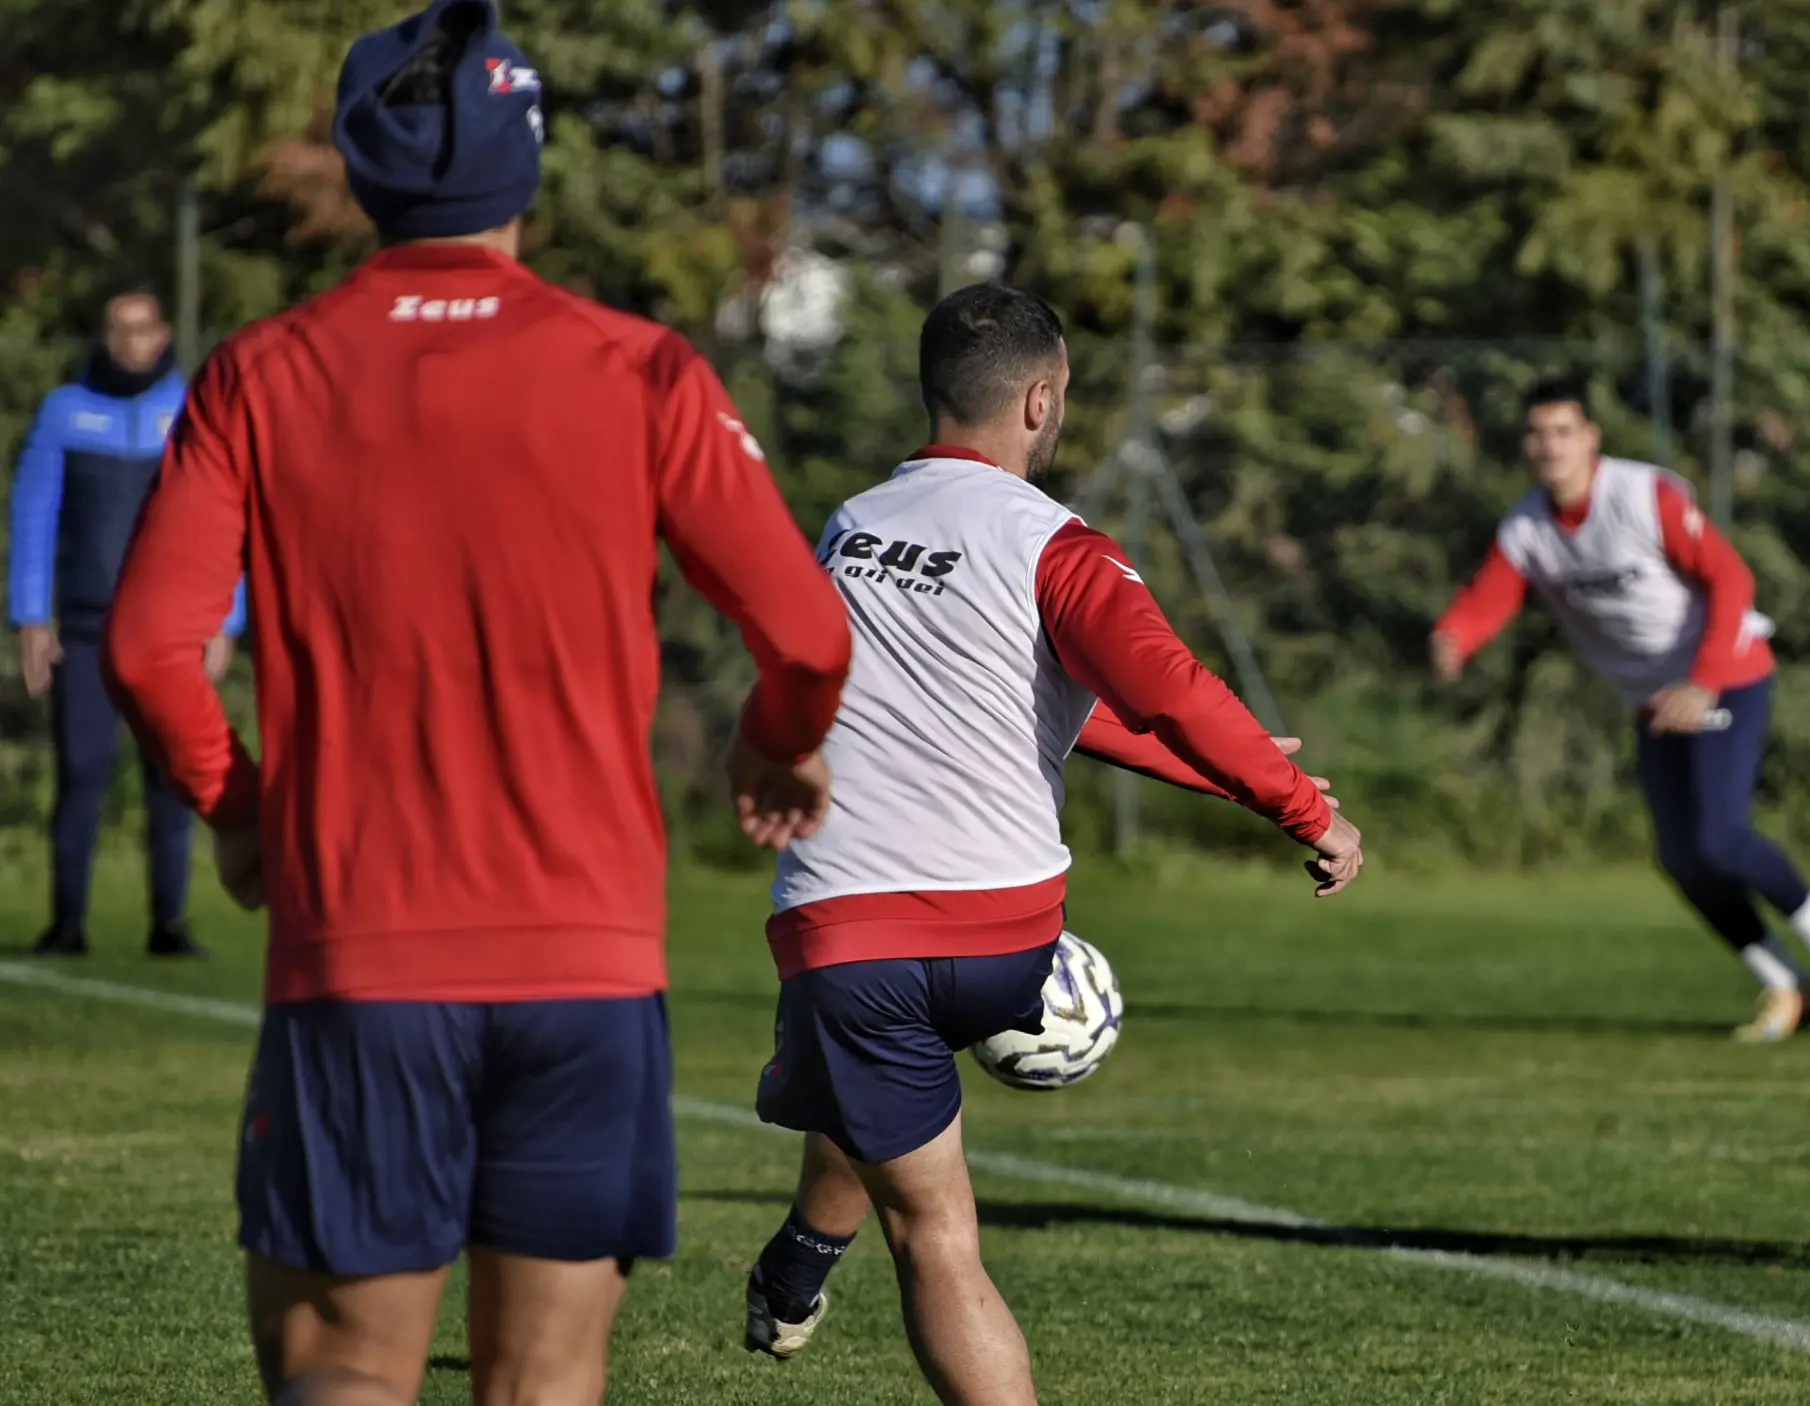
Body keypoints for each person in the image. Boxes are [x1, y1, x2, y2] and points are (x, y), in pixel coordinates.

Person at [102, 2, 854, 1401]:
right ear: (531, 157)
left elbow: (149, 649)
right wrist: (777, 739)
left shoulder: (263, 372)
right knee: (547, 1382)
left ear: (356, 157)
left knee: (342, 1371)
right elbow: (808, 632)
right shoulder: (639, 368)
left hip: (361, 954)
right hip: (587, 966)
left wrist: (243, 805)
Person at [736, 283, 1363, 1402]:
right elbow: (1156, 688)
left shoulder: (850, 524)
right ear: (1040, 399)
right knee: (886, 1083)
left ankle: (803, 1258)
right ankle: (798, 1259)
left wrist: (1247, 774)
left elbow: (1142, 701)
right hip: (1004, 936)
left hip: (845, 931)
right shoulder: (1050, 543)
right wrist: (1294, 805)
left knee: (934, 1229)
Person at [1430, 381, 1810, 1042]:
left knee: (1720, 837)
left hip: (1725, 676)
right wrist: (1455, 636)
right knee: (1682, 858)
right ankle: (1786, 985)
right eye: (1537, 434)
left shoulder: (1641, 496)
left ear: (1591, 438)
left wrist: (1703, 680)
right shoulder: (1527, 527)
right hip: (1653, 700)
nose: (1549, 446)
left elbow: (1731, 578)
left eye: (1562, 431)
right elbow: (1491, 595)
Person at [10, 289, 245, 958]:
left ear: (163, 332)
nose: (132, 342)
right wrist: (31, 616)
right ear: (105, 337)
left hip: (167, 633)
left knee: (172, 778)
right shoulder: (64, 414)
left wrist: (224, 619)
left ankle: (169, 925)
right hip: (84, 627)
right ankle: (66, 925)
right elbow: (35, 516)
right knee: (82, 771)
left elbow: (223, 518)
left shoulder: (192, 411)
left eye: (143, 330)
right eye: (120, 330)